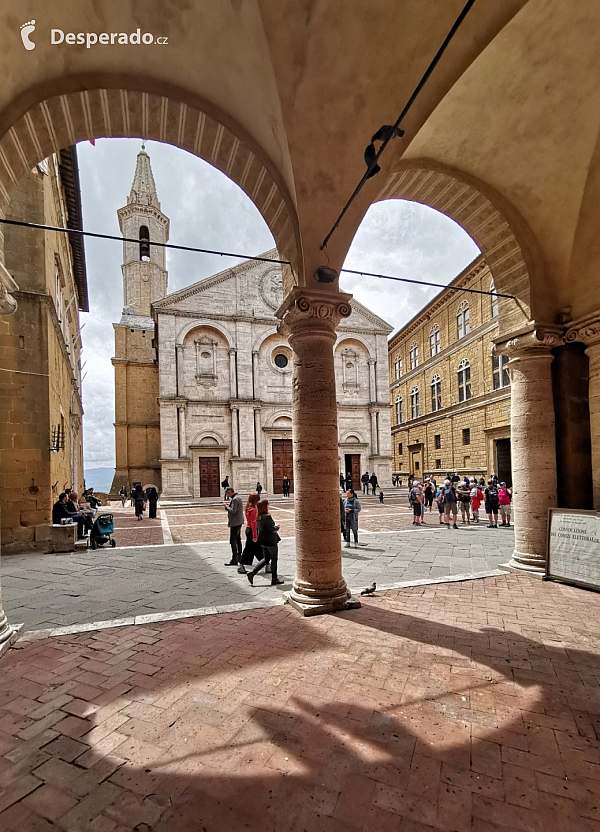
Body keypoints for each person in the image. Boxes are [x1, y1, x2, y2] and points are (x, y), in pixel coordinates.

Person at [247, 499, 284, 585]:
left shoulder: (258, 516)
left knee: (266, 558)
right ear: (265, 506)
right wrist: (277, 527)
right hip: (271, 541)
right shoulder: (267, 516)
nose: (268, 506)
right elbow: (271, 529)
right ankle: (274, 578)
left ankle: (253, 573)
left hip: (263, 541)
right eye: (267, 504)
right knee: (274, 559)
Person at [239, 492, 261, 574]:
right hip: (252, 530)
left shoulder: (248, 508)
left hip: (248, 529)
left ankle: (265, 563)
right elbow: (253, 523)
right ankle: (241, 564)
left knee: (256, 548)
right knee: (249, 548)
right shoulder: (254, 510)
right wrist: (255, 535)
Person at [223, 486, 244, 565]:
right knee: (238, 540)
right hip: (238, 521)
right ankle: (239, 556)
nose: (228, 496)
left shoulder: (235, 499)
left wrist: (226, 506)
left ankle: (234, 559)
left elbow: (233, 511)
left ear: (230, 492)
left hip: (235, 523)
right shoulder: (238, 498)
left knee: (232, 541)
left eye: (227, 494)